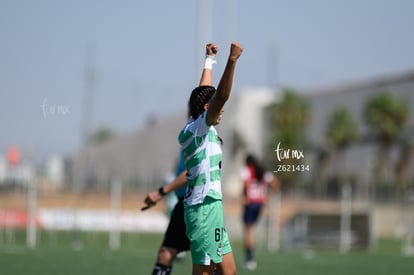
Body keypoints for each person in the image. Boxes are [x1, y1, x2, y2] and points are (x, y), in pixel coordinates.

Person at [143, 43, 219, 275]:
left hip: (199, 205)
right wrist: (209, 61)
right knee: (200, 261)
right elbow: (206, 97)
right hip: (190, 204)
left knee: (209, 264)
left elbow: (209, 96)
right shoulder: (195, 130)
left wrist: (210, 61)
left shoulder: (197, 130)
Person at [178, 42, 243, 275]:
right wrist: (232, 60)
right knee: (204, 272)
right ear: (207, 108)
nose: (221, 109)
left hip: (210, 207)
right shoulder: (200, 128)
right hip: (204, 209)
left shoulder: (194, 124)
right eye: (216, 106)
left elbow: (203, 93)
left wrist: (209, 60)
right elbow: (222, 96)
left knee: (229, 271)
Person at [240, 154, 280, 270]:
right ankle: (250, 258)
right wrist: (267, 197)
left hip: (251, 203)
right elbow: (276, 184)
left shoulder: (247, 170)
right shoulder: (263, 171)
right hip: (259, 204)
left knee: (249, 231)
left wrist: (245, 196)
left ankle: (249, 259)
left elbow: (246, 184)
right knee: (251, 230)